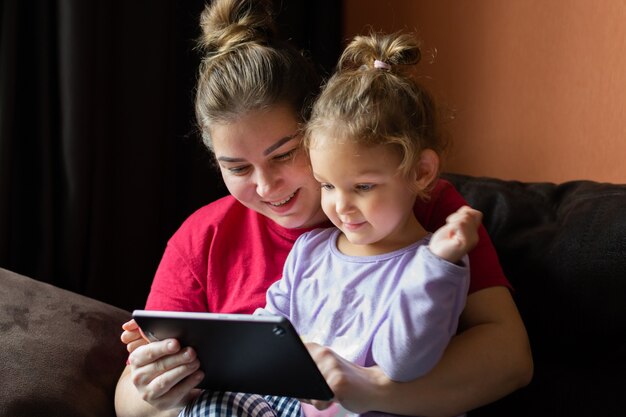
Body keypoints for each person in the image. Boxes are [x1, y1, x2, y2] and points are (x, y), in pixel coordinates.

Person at [114, 1, 533, 417]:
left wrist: (368, 391)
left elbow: (509, 358)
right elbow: (128, 405)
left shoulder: (424, 207)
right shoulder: (203, 236)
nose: (265, 185)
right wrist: (160, 388)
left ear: (319, 131)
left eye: (284, 155)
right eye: (238, 168)